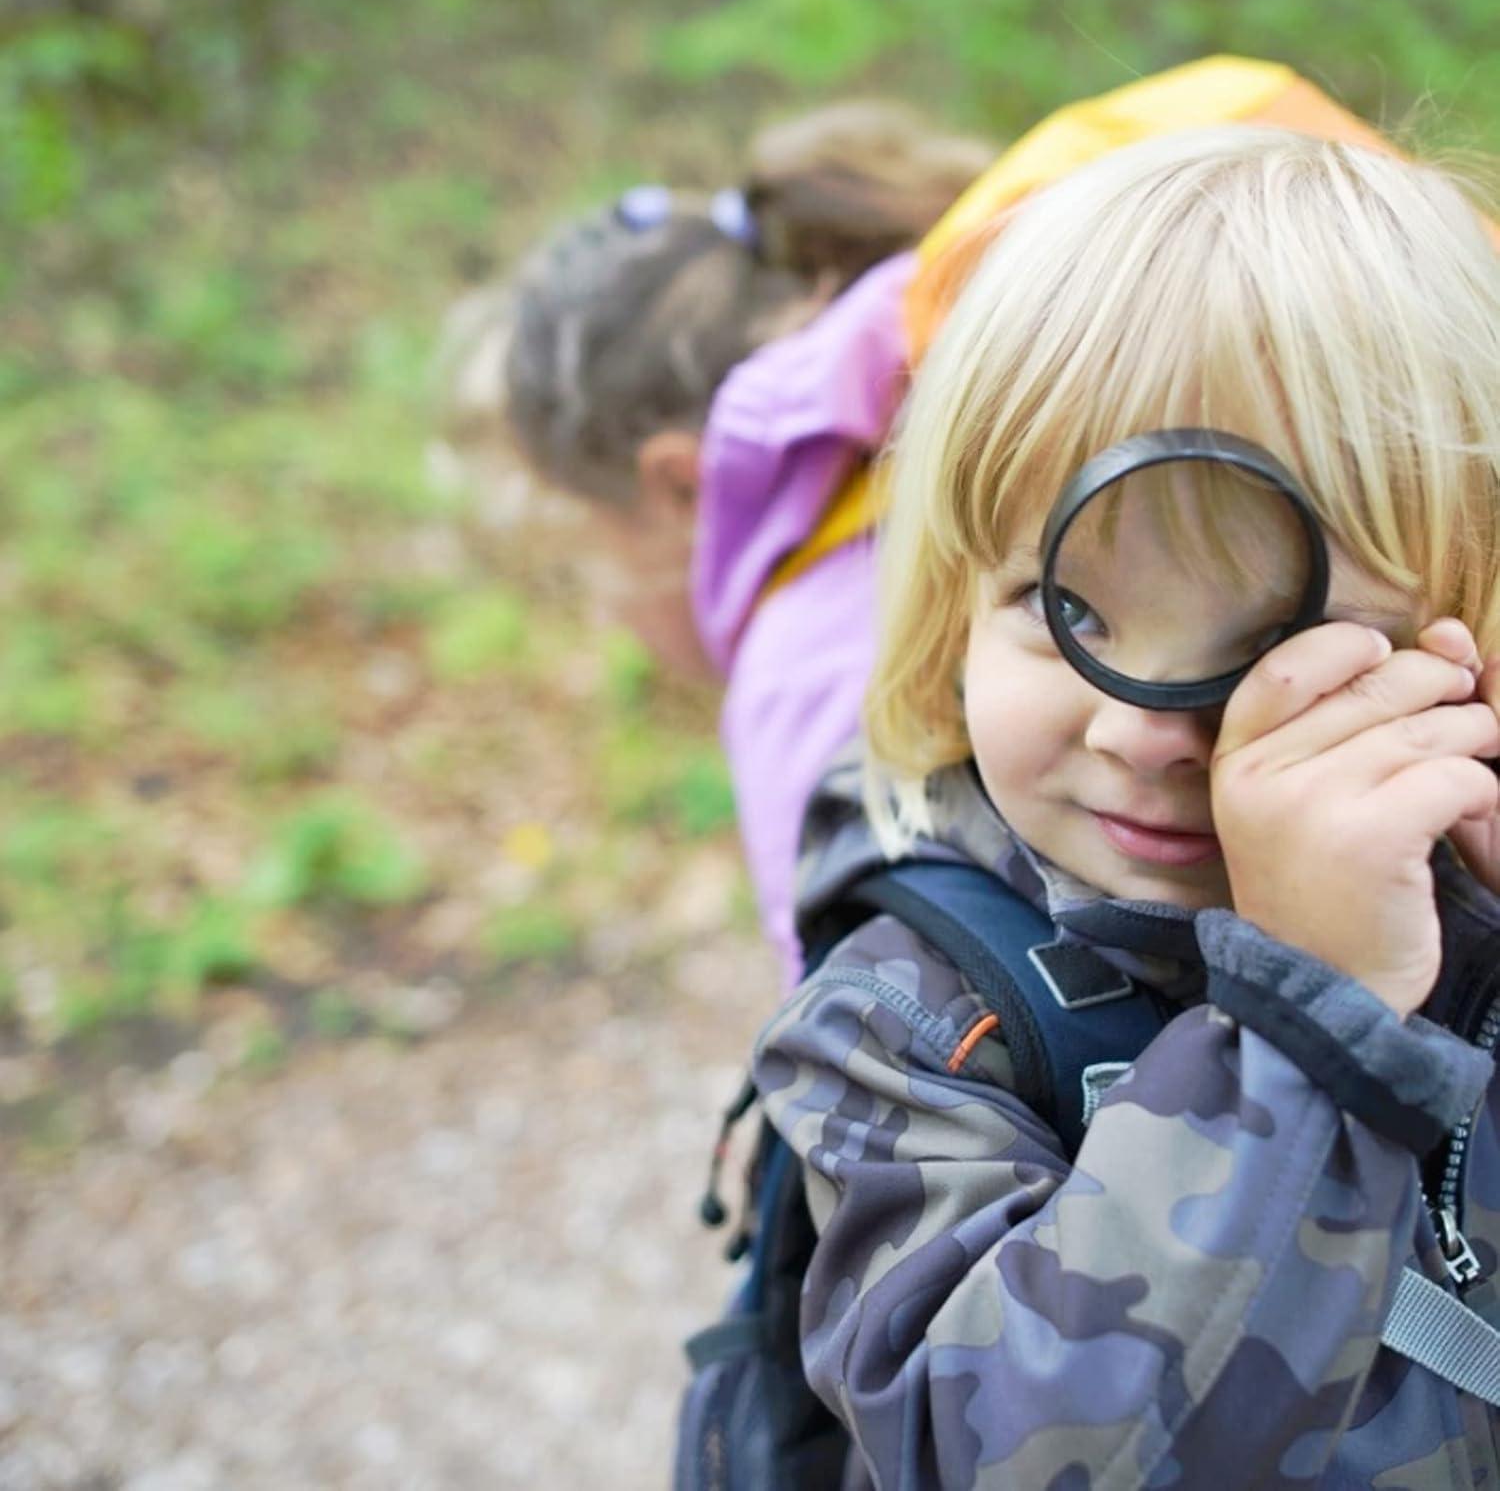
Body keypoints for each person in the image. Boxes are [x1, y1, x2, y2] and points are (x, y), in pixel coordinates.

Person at [752, 124, 1500, 1486]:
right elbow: (999, 1462)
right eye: (1070, 607)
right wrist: (1304, 1026)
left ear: (1459, 649)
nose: (1145, 729)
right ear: (951, 607)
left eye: (1269, 642)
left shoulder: (1467, 883)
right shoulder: (910, 1020)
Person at [436, 103, 992, 986]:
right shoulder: (952, 460)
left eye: (589, 553)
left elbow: (864, 1057)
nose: (605, 605)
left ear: (681, 485)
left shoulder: (804, 671)